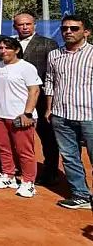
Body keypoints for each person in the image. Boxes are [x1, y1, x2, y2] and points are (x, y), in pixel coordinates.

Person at [45, 15, 93, 209]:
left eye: (74, 28)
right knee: (69, 156)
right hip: (61, 114)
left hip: (89, 115)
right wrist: (49, 108)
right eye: (65, 28)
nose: (68, 32)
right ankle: (80, 194)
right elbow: (50, 82)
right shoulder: (54, 55)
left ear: (86, 32)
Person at [0, 37, 41, 198]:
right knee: (3, 147)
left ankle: (28, 182)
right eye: (1, 48)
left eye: (7, 48)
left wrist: (27, 113)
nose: (4, 51)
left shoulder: (26, 67)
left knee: (24, 151)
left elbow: (34, 91)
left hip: (20, 115)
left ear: (16, 50)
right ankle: (8, 175)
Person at [13, 13, 60, 186]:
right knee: (19, 135)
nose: (25, 27)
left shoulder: (48, 43)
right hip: (16, 98)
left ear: (35, 25)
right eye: (21, 25)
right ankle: (20, 167)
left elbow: (52, 73)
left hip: (40, 99)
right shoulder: (10, 44)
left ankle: (50, 172)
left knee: (47, 137)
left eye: (28, 24)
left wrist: (49, 99)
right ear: (15, 26)